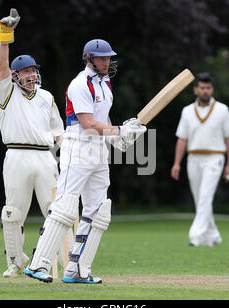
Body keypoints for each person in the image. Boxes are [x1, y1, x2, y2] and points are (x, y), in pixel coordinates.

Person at [24, 39, 147, 283]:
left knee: (99, 211)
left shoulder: (105, 83)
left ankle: (78, 269)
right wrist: (120, 131)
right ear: (89, 59)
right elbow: (88, 124)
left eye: (109, 58)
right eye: (102, 58)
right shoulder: (80, 84)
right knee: (65, 205)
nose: (107, 62)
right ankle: (38, 265)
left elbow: (102, 119)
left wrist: (116, 137)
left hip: (99, 150)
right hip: (79, 148)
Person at [0, 9, 71, 277]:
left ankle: (65, 262)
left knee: (57, 211)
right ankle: (15, 262)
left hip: (44, 157)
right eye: (26, 71)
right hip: (16, 156)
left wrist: (69, 151)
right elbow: (3, 67)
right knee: (12, 212)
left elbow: (58, 131)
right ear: (16, 75)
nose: (31, 75)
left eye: (33, 71)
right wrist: (6, 35)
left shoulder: (46, 96)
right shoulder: (6, 91)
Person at [171, 73, 229, 247]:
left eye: (208, 88)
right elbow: (182, 139)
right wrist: (177, 163)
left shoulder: (222, 110)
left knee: (205, 197)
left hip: (215, 157)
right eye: (202, 88)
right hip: (193, 158)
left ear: (212, 89)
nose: (205, 91)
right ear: (196, 90)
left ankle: (196, 236)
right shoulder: (187, 111)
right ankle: (213, 236)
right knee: (200, 199)